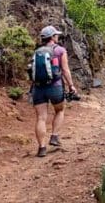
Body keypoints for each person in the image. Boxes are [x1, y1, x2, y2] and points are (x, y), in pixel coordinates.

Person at [32, 25, 77, 157]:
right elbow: (65, 70)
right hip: (55, 86)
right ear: (52, 37)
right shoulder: (60, 50)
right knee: (60, 110)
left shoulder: (37, 51)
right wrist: (71, 85)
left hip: (38, 88)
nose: (57, 36)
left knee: (40, 118)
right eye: (56, 35)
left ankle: (41, 147)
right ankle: (54, 136)